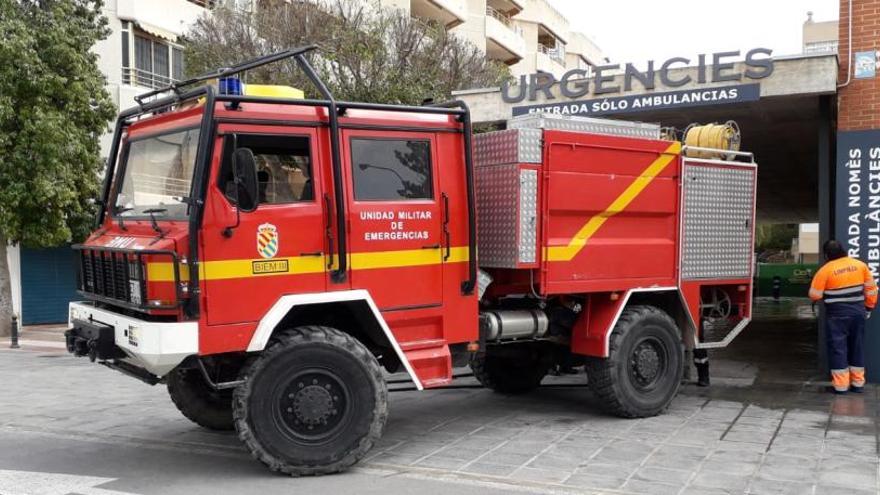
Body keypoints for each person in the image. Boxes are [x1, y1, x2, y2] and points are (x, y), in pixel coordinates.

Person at [808, 240, 878, 394]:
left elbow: (814, 295)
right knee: (857, 346)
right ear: (843, 250)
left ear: (826, 254)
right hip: (858, 313)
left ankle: (841, 387)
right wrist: (869, 307)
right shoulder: (860, 265)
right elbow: (872, 290)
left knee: (838, 348)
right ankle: (858, 384)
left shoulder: (825, 270)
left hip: (837, 316)